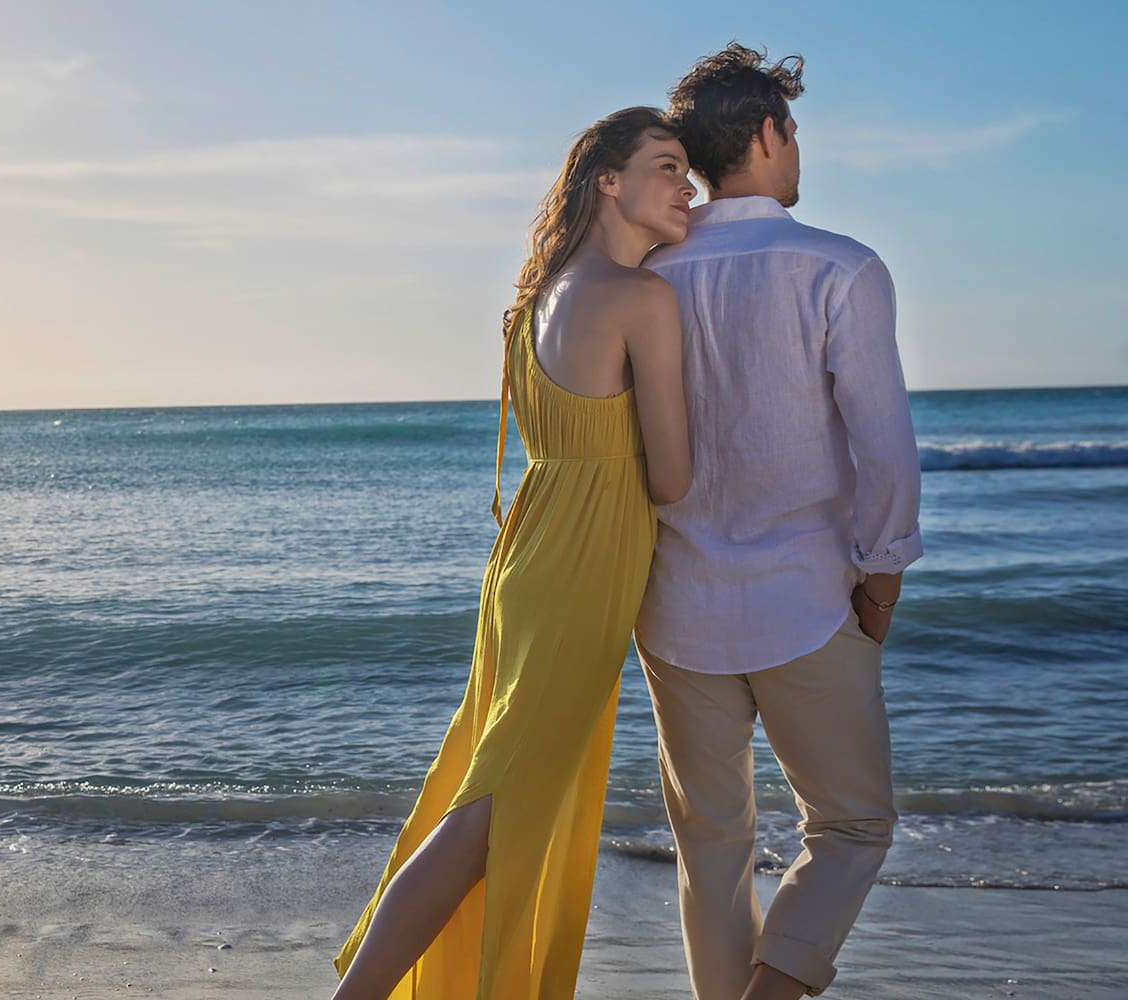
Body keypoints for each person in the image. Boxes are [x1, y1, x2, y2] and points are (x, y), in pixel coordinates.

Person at [331, 107, 695, 999]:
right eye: (667, 166)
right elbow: (674, 478)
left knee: (487, 788)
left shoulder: (541, 296)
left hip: (530, 560)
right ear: (608, 179)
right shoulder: (643, 298)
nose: (686, 185)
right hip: (579, 569)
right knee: (493, 810)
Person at [635, 44, 923, 1000]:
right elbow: (884, 450)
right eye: (792, 131)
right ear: (768, 134)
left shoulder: (646, 277)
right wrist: (881, 582)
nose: (797, 150)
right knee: (849, 828)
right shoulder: (839, 266)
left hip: (674, 605)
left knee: (712, 849)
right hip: (808, 597)